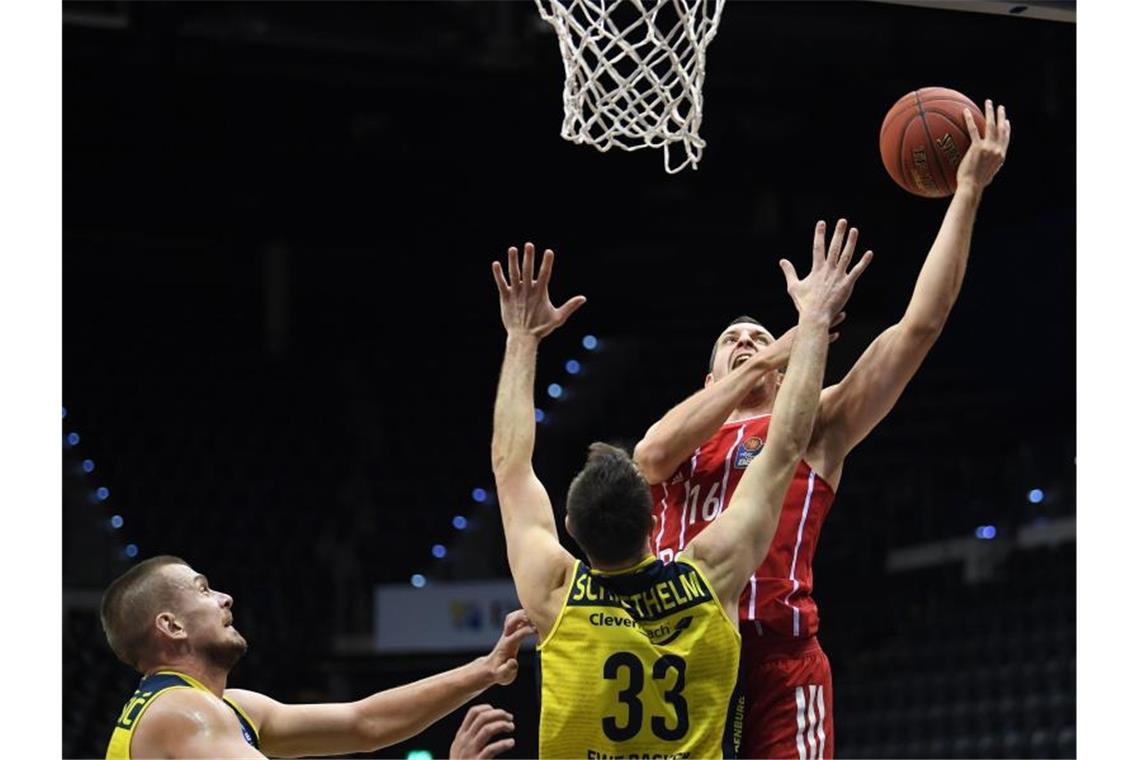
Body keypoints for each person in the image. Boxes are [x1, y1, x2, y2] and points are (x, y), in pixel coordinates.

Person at [633, 100, 1011, 759]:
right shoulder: (683, 433)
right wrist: (789, 340)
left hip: (779, 658)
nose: (747, 341)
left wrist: (968, 193)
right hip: (678, 655)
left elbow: (918, 327)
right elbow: (653, 454)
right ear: (709, 378)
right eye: (732, 341)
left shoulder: (813, 424)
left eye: (756, 335)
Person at [488, 231, 869, 758]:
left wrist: (520, 338)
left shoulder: (556, 597)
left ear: (571, 529)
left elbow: (509, 467)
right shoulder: (705, 589)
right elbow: (784, 446)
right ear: (652, 522)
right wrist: (810, 327)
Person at [100, 555, 530, 759]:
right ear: (171, 626)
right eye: (203, 589)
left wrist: (485, 670)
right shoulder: (183, 713)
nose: (225, 598)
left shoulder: (224, 707)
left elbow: (365, 723)